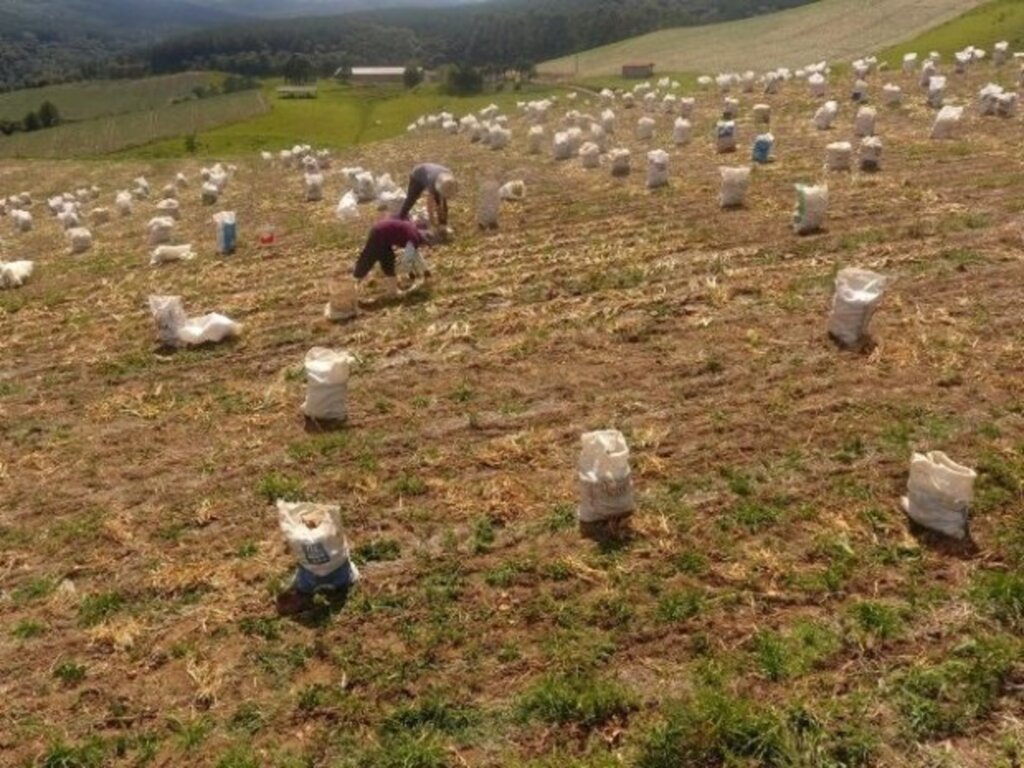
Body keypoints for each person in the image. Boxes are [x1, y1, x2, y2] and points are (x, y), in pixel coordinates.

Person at [353, 217, 434, 300]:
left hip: (381, 231)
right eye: (425, 244)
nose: (424, 246)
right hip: (380, 233)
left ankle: (392, 291)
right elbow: (406, 262)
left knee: (387, 259)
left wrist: (426, 272)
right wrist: (404, 273)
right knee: (369, 259)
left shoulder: (414, 232)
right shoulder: (414, 239)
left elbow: (416, 255)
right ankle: (351, 286)